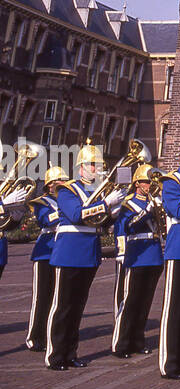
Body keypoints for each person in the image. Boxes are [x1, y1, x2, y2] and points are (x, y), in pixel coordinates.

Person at [47, 142, 122, 371]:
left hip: (89, 252)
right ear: (81, 167)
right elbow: (76, 215)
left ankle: (70, 353)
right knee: (63, 307)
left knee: (78, 307)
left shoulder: (97, 190)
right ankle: (55, 355)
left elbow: (101, 223)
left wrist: (113, 212)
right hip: (69, 252)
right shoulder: (67, 190)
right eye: (92, 164)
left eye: (99, 164)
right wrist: (105, 205)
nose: (97, 168)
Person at [110, 164, 164, 359]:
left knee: (145, 301)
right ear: (138, 183)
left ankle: (138, 340)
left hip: (154, 253)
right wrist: (147, 211)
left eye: (152, 182)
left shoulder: (155, 201)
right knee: (130, 300)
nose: (151, 185)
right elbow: (128, 226)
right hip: (137, 253)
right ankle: (121, 342)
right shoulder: (128, 203)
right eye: (147, 182)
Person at [25, 166, 64, 352]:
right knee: (41, 297)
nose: (63, 184)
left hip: (62, 251)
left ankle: (50, 333)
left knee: (57, 297)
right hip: (45, 252)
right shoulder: (41, 202)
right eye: (59, 182)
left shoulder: (66, 199)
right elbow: (45, 220)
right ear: (49, 186)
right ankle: (34, 336)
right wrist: (65, 209)